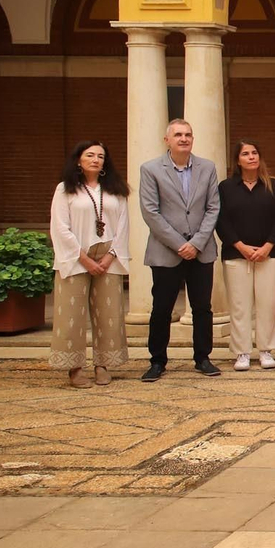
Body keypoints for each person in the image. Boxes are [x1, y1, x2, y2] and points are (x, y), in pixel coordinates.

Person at [139, 118, 221, 381]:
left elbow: (213, 208)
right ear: (167, 140)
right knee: (161, 308)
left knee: (202, 308)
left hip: (201, 250)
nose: (184, 139)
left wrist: (196, 243)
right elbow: (151, 212)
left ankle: (203, 358)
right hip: (166, 252)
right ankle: (157, 361)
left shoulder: (207, 168)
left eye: (188, 134)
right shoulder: (150, 169)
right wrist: (179, 244)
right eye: (178, 135)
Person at [50, 141, 130, 387]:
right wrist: (84, 258)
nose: (96, 159)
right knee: (71, 314)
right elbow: (60, 227)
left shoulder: (115, 189)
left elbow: (124, 226)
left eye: (100, 156)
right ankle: (74, 368)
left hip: (108, 256)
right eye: (90, 155)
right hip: (75, 256)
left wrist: (108, 257)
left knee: (109, 313)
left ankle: (102, 365)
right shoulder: (65, 190)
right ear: (78, 160)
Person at [217, 140, 275, 372]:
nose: (251, 157)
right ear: (237, 160)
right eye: (245, 154)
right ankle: (242, 352)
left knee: (268, 304)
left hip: (270, 255)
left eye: (255, 153)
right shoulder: (226, 188)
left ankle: (266, 349)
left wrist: (267, 246)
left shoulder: (274, 186)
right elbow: (222, 220)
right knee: (240, 305)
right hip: (237, 255)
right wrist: (241, 246)